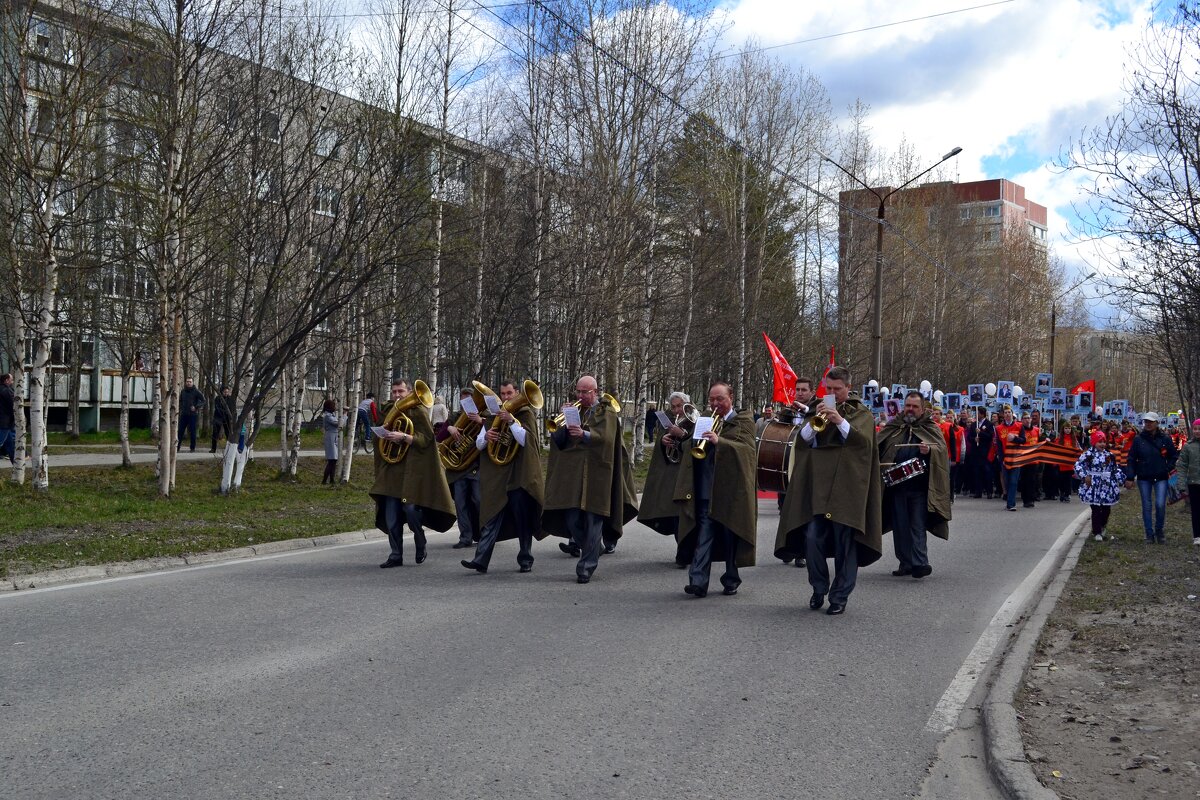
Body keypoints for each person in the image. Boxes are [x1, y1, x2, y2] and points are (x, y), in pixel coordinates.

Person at [778, 366, 882, 616]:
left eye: (837, 389)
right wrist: (815, 424)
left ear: (848, 387)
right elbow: (803, 441)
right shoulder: (817, 408)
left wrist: (839, 420)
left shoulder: (861, 412)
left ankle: (839, 596)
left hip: (846, 489)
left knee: (846, 543)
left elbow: (864, 446)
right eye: (829, 389)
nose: (833, 393)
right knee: (812, 538)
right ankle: (818, 587)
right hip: (819, 487)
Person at [540, 375, 637, 584]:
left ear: (595, 391)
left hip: (598, 473)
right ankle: (594, 548)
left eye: (585, 392)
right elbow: (560, 442)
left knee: (594, 519)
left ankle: (586, 567)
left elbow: (608, 438)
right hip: (575, 474)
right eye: (578, 391)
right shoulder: (576, 410)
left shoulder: (607, 411)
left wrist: (584, 434)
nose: (581, 396)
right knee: (572, 518)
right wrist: (561, 420)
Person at [674, 382, 757, 598]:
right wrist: (677, 442)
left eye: (719, 399)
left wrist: (720, 441)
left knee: (731, 535)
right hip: (705, 487)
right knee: (704, 535)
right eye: (711, 399)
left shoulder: (743, 421)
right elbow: (690, 447)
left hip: (730, 490)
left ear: (731, 397)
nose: (715, 403)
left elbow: (747, 450)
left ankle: (731, 578)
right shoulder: (704, 419)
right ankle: (698, 582)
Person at [369, 379, 456, 567]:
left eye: (401, 391)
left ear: (409, 392)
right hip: (391, 471)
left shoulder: (418, 411)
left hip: (412, 470)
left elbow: (426, 440)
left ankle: (420, 539)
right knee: (391, 516)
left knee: (411, 511)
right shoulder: (387, 411)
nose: (397, 395)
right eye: (394, 391)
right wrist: (381, 434)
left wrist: (405, 437)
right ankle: (395, 555)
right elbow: (377, 440)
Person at [461, 379, 544, 573]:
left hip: (518, 475)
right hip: (498, 475)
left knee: (522, 517)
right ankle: (480, 560)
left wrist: (512, 423)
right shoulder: (492, 415)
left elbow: (528, 442)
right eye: (503, 394)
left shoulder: (525, 413)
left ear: (516, 393)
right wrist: (486, 437)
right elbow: (479, 444)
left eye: (509, 393)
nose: (506, 398)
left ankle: (526, 559)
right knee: (491, 515)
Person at [877, 391, 951, 579]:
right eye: (908, 405)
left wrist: (929, 450)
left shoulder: (929, 427)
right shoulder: (895, 426)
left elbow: (941, 450)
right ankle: (905, 563)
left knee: (917, 525)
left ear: (922, 409)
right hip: (895, 486)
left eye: (914, 406)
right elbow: (879, 446)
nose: (910, 409)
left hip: (918, 487)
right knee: (900, 526)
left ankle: (920, 563)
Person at [638, 391, 694, 567]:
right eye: (674, 406)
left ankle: (688, 553)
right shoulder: (668, 421)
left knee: (687, 515)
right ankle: (683, 552)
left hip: (689, 474)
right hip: (672, 475)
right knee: (676, 514)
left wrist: (682, 435)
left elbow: (697, 442)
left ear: (687, 405)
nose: (677, 410)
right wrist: (663, 441)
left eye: (680, 406)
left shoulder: (695, 419)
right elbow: (660, 442)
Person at [1124, 411, 1178, 543]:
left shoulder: (1165, 438)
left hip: (1161, 476)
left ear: (1156, 423)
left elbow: (1173, 456)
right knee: (1146, 505)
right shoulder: (1138, 439)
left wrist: (1167, 468)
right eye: (1146, 421)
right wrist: (1130, 477)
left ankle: (1159, 530)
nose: (1148, 424)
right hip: (1144, 477)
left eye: (1150, 422)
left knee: (1160, 504)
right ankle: (1149, 533)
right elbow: (1131, 459)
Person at [442, 388, 482, 549]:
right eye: (463, 401)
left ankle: (484, 533)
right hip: (458, 468)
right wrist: (449, 429)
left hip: (476, 466)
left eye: (470, 400)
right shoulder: (454, 417)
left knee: (478, 500)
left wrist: (481, 421)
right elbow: (438, 436)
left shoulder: (482, 416)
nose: (466, 404)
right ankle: (465, 536)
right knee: (460, 503)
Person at [1075, 430, 1124, 541]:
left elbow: (1114, 469)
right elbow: (1078, 465)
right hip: (1093, 485)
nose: (1102, 444)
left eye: (1104, 442)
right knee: (1096, 509)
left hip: (1106, 485)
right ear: (1094, 442)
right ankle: (1096, 531)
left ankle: (1102, 527)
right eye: (1099, 442)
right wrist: (1085, 476)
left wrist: (1122, 479)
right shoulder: (1088, 454)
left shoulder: (1109, 455)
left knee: (1106, 509)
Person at [994, 406, 1026, 511]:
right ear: (1003, 415)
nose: (1007, 414)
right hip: (1005, 459)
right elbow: (998, 445)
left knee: (1013, 481)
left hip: (1016, 458)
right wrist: (1001, 458)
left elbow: (1023, 440)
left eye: (1009, 412)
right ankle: (1009, 499)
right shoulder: (999, 428)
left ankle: (1011, 504)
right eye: (1005, 412)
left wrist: (1015, 438)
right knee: (1007, 481)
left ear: (1012, 414)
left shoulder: (1019, 426)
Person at [1175, 419, 1200, 546]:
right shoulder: (1188, 446)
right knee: (1196, 510)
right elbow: (1182, 466)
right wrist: (1181, 484)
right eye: (1195, 429)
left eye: (1199, 429)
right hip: (1194, 482)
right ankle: (1197, 536)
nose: (1197, 431)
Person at [965, 407, 995, 498]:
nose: (977, 415)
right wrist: (974, 439)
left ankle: (989, 491)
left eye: (978, 413)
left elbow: (990, 436)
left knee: (987, 472)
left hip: (985, 452)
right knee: (977, 472)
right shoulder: (974, 424)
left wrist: (980, 433)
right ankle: (978, 492)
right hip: (976, 452)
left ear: (983, 414)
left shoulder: (989, 424)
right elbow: (969, 437)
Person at [1017, 411, 1042, 508]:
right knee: (1024, 479)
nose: (1027, 420)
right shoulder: (1020, 430)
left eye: (1029, 418)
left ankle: (1031, 499)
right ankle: (1025, 499)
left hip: (1034, 459)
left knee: (1032, 480)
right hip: (1023, 458)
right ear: (1022, 420)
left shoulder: (1036, 430)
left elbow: (1040, 442)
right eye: (1025, 418)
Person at [178, 377, 205, 452]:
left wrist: (196, 407)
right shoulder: (183, 391)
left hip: (192, 415)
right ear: (185, 382)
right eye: (187, 381)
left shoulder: (196, 391)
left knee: (193, 432)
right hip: (184, 414)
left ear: (192, 383)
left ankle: (192, 448)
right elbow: (180, 401)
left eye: (190, 382)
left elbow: (203, 401)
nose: (188, 383)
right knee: (180, 431)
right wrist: (180, 408)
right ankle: (177, 447)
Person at [321, 398, 342, 484]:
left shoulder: (331, 415)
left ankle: (332, 480)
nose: (335, 407)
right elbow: (338, 423)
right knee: (332, 460)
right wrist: (344, 416)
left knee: (334, 460)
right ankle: (324, 480)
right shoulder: (328, 416)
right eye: (334, 405)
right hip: (330, 438)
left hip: (333, 437)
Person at [210, 386, 236, 454]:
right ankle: (213, 448)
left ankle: (229, 448)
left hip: (227, 418)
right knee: (215, 433)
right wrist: (224, 412)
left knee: (228, 433)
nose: (226, 393)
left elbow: (232, 408)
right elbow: (217, 408)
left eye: (227, 392)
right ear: (222, 392)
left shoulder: (230, 399)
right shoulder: (218, 399)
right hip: (218, 417)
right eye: (225, 392)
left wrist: (230, 416)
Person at [0, 373, 15, 464]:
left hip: (5, 422)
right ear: (6, 380)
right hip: (5, 422)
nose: (12, 382)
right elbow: (13, 406)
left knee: (10, 444)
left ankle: (18, 465)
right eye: (11, 380)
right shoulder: (7, 391)